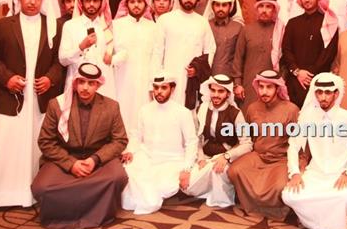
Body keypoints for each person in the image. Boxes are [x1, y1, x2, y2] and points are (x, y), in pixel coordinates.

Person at [0, 0, 63, 208]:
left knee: (38, 144)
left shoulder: (54, 26)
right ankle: (1, 196)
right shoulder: (2, 25)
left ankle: (35, 193)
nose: (32, 2)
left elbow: (60, 62)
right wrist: (7, 78)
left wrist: (50, 79)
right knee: (5, 144)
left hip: (40, 98)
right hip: (10, 97)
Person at [31, 63, 128, 229]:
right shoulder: (57, 105)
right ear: (75, 83)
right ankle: (63, 216)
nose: (85, 87)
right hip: (64, 157)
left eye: (91, 83)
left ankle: (96, 215)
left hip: (97, 159)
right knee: (42, 186)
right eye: (81, 82)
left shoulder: (111, 107)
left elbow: (120, 140)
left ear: (98, 85)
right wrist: (71, 164)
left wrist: (95, 159)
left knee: (117, 177)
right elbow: (46, 142)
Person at [282, 73, 347, 229]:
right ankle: (315, 223)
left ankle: (329, 225)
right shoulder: (307, 117)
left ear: (336, 93)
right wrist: (295, 173)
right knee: (288, 195)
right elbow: (293, 146)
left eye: (328, 92)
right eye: (319, 92)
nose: (323, 97)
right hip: (316, 173)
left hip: (339, 173)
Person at [121, 72, 197, 214]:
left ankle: (145, 193)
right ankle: (145, 194)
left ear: (172, 89)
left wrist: (186, 169)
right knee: (129, 166)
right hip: (147, 157)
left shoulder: (183, 112)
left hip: (172, 161)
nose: (159, 91)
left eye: (163, 87)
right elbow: (136, 135)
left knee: (164, 187)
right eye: (156, 87)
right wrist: (130, 150)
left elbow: (191, 142)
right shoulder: (144, 110)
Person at [227, 70, 300, 220]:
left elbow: (300, 144)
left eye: (269, 87)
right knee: (234, 170)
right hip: (258, 155)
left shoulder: (291, 110)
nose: (264, 92)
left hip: (281, 159)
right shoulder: (252, 108)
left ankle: (277, 212)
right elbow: (247, 137)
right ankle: (252, 206)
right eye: (261, 87)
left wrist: (301, 165)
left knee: (279, 186)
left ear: (277, 88)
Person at [184, 75, 253, 207]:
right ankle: (209, 189)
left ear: (228, 94)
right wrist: (200, 158)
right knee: (188, 186)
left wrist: (227, 156)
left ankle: (218, 194)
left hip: (225, 158)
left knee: (217, 170)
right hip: (205, 156)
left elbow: (247, 144)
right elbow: (196, 138)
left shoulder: (235, 113)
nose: (216, 95)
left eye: (220, 91)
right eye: (213, 90)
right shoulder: (201, 109)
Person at [155, 0, 216, 109]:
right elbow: (157, 52)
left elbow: (210, 49)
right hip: (169, 77)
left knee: (190, 113)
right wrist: (156, 78)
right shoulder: (165, 20)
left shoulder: (202, 22)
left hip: (192, 79)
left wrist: (198, 69)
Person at [281, 0, 339, 106]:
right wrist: (297, 72)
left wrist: (308, 74)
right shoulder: (293, 23)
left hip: (318, 81)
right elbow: (286, 50)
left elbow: (328, 53)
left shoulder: (328, 22)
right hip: (294, 80)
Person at [112, 0, 157, 136]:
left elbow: (156, 57)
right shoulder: (115, 25)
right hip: (121, 79)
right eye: (132, 2)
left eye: (140, 2)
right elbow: (108, 55)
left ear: (145, 4)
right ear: (126, 4)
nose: (136, 5)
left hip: (145, 79)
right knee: (122, 110)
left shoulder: (153, 27)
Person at [58, 0, 117, 98]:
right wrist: (81, 47)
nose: (91, 4)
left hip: (104, 88)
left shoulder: (108, 27)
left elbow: (120, 54)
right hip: (78, 86)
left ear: (101, 2)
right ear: (81, 2)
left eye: (95, 1)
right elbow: (63, 60)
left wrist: (112, 58)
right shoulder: (70, 26)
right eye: (88, 0)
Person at [232, 0, 282, 112]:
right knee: (249, 114)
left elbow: (284, 61)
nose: (264, 10)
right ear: (257, 10)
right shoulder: (246, 30)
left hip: (273, 85)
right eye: (261, 7)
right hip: (249, 84)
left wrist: (280, 83)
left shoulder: (280, 30)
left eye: (268, 7)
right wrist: (238, 84)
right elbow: (238, 59)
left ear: (274, 10)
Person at [204, 0, 244, 77]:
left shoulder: (238, 28)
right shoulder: (205, 25)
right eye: (217, 5)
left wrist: (237, 80)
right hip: (206, 76)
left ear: (230, 7)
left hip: (228, 77)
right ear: (212, 6)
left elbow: (239, 57)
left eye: (224, 5)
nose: (220, 8)